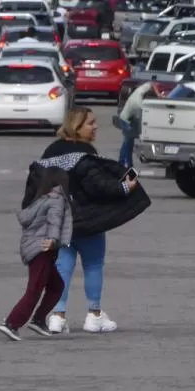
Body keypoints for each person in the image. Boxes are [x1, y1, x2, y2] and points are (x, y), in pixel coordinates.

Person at [35, 107, 151, 334]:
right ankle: (94, 315)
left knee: (62, 267)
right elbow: (99, 186)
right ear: (77, 127)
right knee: (93, 265)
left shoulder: (51, 151)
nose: (96, 126)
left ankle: (57, 315)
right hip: (88, 221)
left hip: (60, 222)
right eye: (91, 123)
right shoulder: (85, 154)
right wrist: (127, 186)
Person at [0, 166, 73, 341]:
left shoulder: (42, 198)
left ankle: (39, 320)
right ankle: (11, 323)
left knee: (57, 286)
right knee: (34, 289)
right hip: (42, 249)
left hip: (35, 247)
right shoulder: (57, 199)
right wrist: (53, 240)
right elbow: (54, 221)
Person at [116, 77, 164, 168]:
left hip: (127, 118)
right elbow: (141, 122)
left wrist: (158, 95)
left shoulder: (141, 90)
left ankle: (124, 162)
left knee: (127, 142)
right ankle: (126, 164)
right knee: (128, 143)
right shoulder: (139, 105)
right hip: (125, 120)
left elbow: (151, 83)